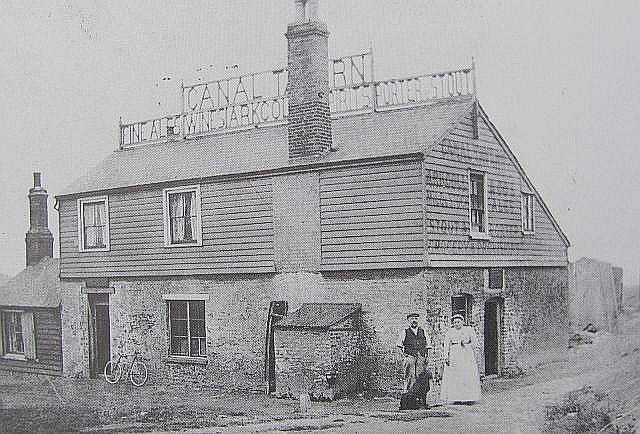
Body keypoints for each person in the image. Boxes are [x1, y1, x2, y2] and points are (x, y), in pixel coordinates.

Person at [440, 313, 482, 404]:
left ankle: (469, 398)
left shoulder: (469, 330)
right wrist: (446, 357)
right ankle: (456, 398)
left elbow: (476, 344)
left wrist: (467, 344)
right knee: (455, 376)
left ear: (462, 322)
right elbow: (446, 345)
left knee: (467, 375)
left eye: (458, 322)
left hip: (466, 354)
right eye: (455, 322)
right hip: (454, 354)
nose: (457, 324)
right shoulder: (450, 332)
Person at [396, 313, 432, 393]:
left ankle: (420, 398)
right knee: (410, 377)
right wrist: (404, 356)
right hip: (410, 357)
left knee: (421, 377)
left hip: (421, 358)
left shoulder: (423, 331)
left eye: (416, 318)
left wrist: (427, 357)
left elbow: (428, 345)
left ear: (418, 320)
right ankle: (409, 397)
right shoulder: (405, 332)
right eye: (412, 319)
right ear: (408, 321)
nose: (414, 320)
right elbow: (399, 346)